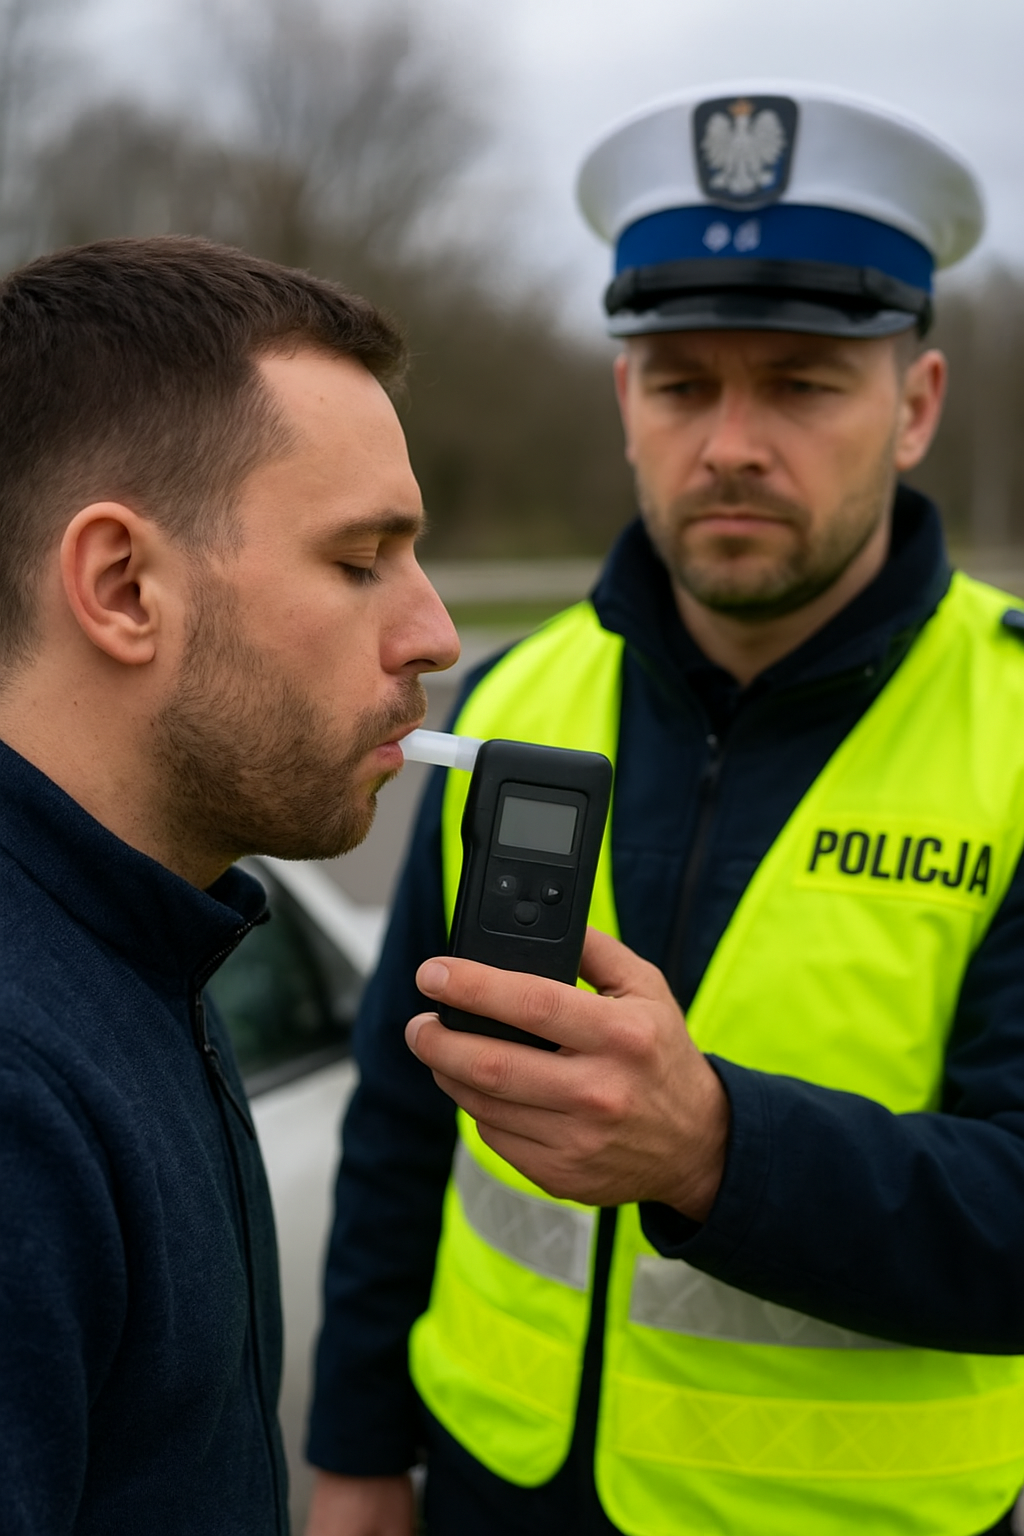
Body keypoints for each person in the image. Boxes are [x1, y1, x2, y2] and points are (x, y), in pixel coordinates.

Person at [305, 85, 1024, 1536]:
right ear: (625, 399)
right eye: (684, 384)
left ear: (916, 406)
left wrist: (716, 1151)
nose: (732, 443)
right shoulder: (512, 697)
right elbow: (401, 1112)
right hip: (488, 1489)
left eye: (803, 384)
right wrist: (356, 1452)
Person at [0, 235, 459, 1536]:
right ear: (123, 587)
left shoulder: (145, 934)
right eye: (361, 559)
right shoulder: (21, 1088)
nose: (434, 633)